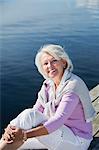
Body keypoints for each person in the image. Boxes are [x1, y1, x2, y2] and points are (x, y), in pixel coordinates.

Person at [0, 44, 96, 150]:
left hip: (78, 141)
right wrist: (9, 129)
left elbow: (58, 120)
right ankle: (8, 134)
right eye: (45, 63)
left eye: (54, 60)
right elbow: (36, 111)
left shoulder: (73, 85)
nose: (50, 66)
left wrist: (24, 135)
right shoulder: (48, 85)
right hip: (57, 133)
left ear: (63, 62)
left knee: (22, 131)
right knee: (14, 141)